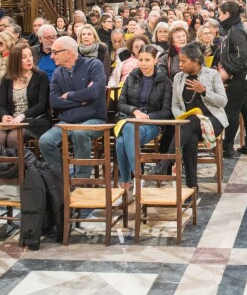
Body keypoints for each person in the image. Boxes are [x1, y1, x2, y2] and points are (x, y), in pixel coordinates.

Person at [150, 44, 228, 188]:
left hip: (213, 119)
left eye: (183, 61)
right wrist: (181, 117)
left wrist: (204, 91)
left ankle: (166, 161)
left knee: (191, 122)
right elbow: (175, 105)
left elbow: (223, 102)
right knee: (190, 138)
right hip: (189, 126)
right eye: (179, 61)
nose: (179, 64)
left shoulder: (212, 74)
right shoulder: (179, 78)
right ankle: (193, 186)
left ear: (196, 61)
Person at [39, 36, 107, 177]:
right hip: (68, 121)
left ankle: (81, 181)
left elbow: (94, 93)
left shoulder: (94, 65)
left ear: (68, 52)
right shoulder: (58, 73)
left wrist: (69, 95)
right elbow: (54, 102)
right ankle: (62, 177)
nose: (51, 56)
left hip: (94, 119)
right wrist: (81, 100)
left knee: (79, 133)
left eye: (55, 52)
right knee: (45, 141)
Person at [115, 45, 172, 191]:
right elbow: (121, 103)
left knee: (122, 141)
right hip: (129, 118)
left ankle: (127, 181)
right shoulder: (131, 77)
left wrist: (147, 116)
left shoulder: (164, 81)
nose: (143, 63)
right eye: (140, 60)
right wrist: (135, 111)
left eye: (147, 60)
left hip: (152, 123)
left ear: (155, 60)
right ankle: (137, 176)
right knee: (127, 129)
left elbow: (166, 111)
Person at [218, 0, 247, 158]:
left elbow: (242, 55)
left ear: (227, 14)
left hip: (242, 75)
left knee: (231, 111)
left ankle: (227, 148)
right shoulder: (237, 27)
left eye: (220, 14)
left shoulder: (235, 30)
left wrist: (227, 70)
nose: (219, 17)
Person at [0, 43, 50, 148]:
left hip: (35, 120)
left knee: (13, 138)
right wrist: (4, 116)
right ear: (15, 61)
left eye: (30, 55)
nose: (29, 59)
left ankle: (19, 165)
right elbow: (2, 105)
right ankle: (6, 164)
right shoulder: (7, 79)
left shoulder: (41, 76)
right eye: (24, 57)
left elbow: (42, 104)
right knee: (0, 137)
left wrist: (23, 115)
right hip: (13, 121)